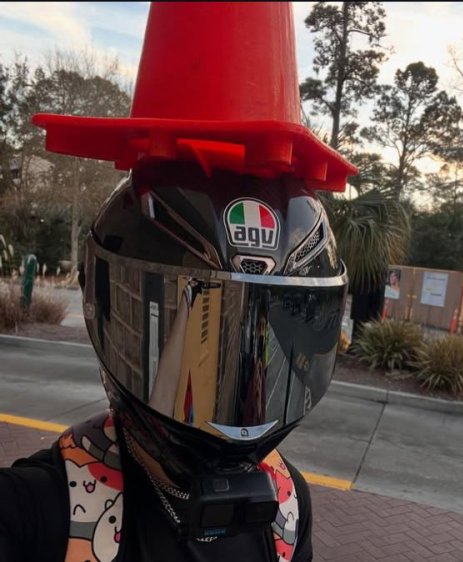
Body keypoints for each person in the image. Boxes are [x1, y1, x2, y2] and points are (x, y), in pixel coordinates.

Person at [0, 3, 358, 561]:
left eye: (268, 356)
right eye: (193, 343)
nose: (245, 396)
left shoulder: (288, 506)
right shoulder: (39, 508)